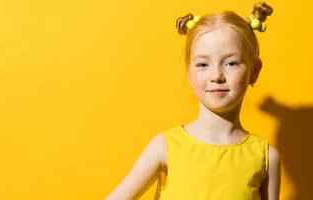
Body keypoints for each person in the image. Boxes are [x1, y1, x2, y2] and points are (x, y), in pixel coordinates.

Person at [106, 2, 280, 199]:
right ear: (189, 73)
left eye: (231, 63)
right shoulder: (165, 147)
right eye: (203, 64)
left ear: (254, 71)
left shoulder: (266, 158)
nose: (216, 75)